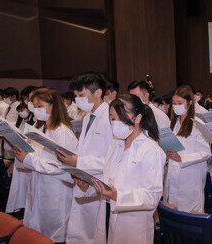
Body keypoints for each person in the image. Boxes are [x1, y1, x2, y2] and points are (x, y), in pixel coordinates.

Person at [73, 94, 165, 244]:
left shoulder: (151, 150)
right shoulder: (115, 144)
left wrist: (118, 196)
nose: (115, 123)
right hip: (107, 215)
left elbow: (151, 196)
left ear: (138, 118)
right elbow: (106, 181)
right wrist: (87, 186)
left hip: (133, 225)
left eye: (120, 118)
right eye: (112, 119)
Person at [12, 87, 78, 243]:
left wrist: (27, 159)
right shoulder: (42, 128)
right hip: (40, 187)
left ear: (53, 105)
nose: (36, 110)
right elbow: (36, 156)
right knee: (38, 233)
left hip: (56, 191)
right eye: (34, 106)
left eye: (40, 106)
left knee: (53, 235)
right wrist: (22, 153)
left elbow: (58, 166)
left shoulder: (62, 131)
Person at [58, 72, 114, 243]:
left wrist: (78, 161)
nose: (77, 100)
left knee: (97, 234)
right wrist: (75, 166)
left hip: (101, 183)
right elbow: (85, 150)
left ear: (98, 93)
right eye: (75, 96)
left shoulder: (110, 118)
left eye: (81, 95)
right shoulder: (88, 116)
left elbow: (112, 159)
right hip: (85, 180)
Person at [164, 85, 210, 212]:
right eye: (174, 103)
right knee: (174, 217)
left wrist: (182, 158)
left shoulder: (198, 123)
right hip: (173, 176)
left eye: (179, 103)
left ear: (189, 103)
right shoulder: (172, 123)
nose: (176, 106)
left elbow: (206, 152)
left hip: (190, 180)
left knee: (191, 218)